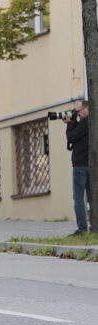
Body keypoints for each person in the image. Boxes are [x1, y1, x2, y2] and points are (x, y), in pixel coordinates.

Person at [64, 100, 92, 235]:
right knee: (92, 197)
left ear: (87, 109)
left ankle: (82, 228)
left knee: (79, 198)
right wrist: (73, 122)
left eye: (79, 111)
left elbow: (72, 137)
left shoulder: (86, 122)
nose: (78, 114)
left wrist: (70, 123)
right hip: (91, 165)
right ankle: (94, 226)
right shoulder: (90, 123)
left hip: (81, 165)